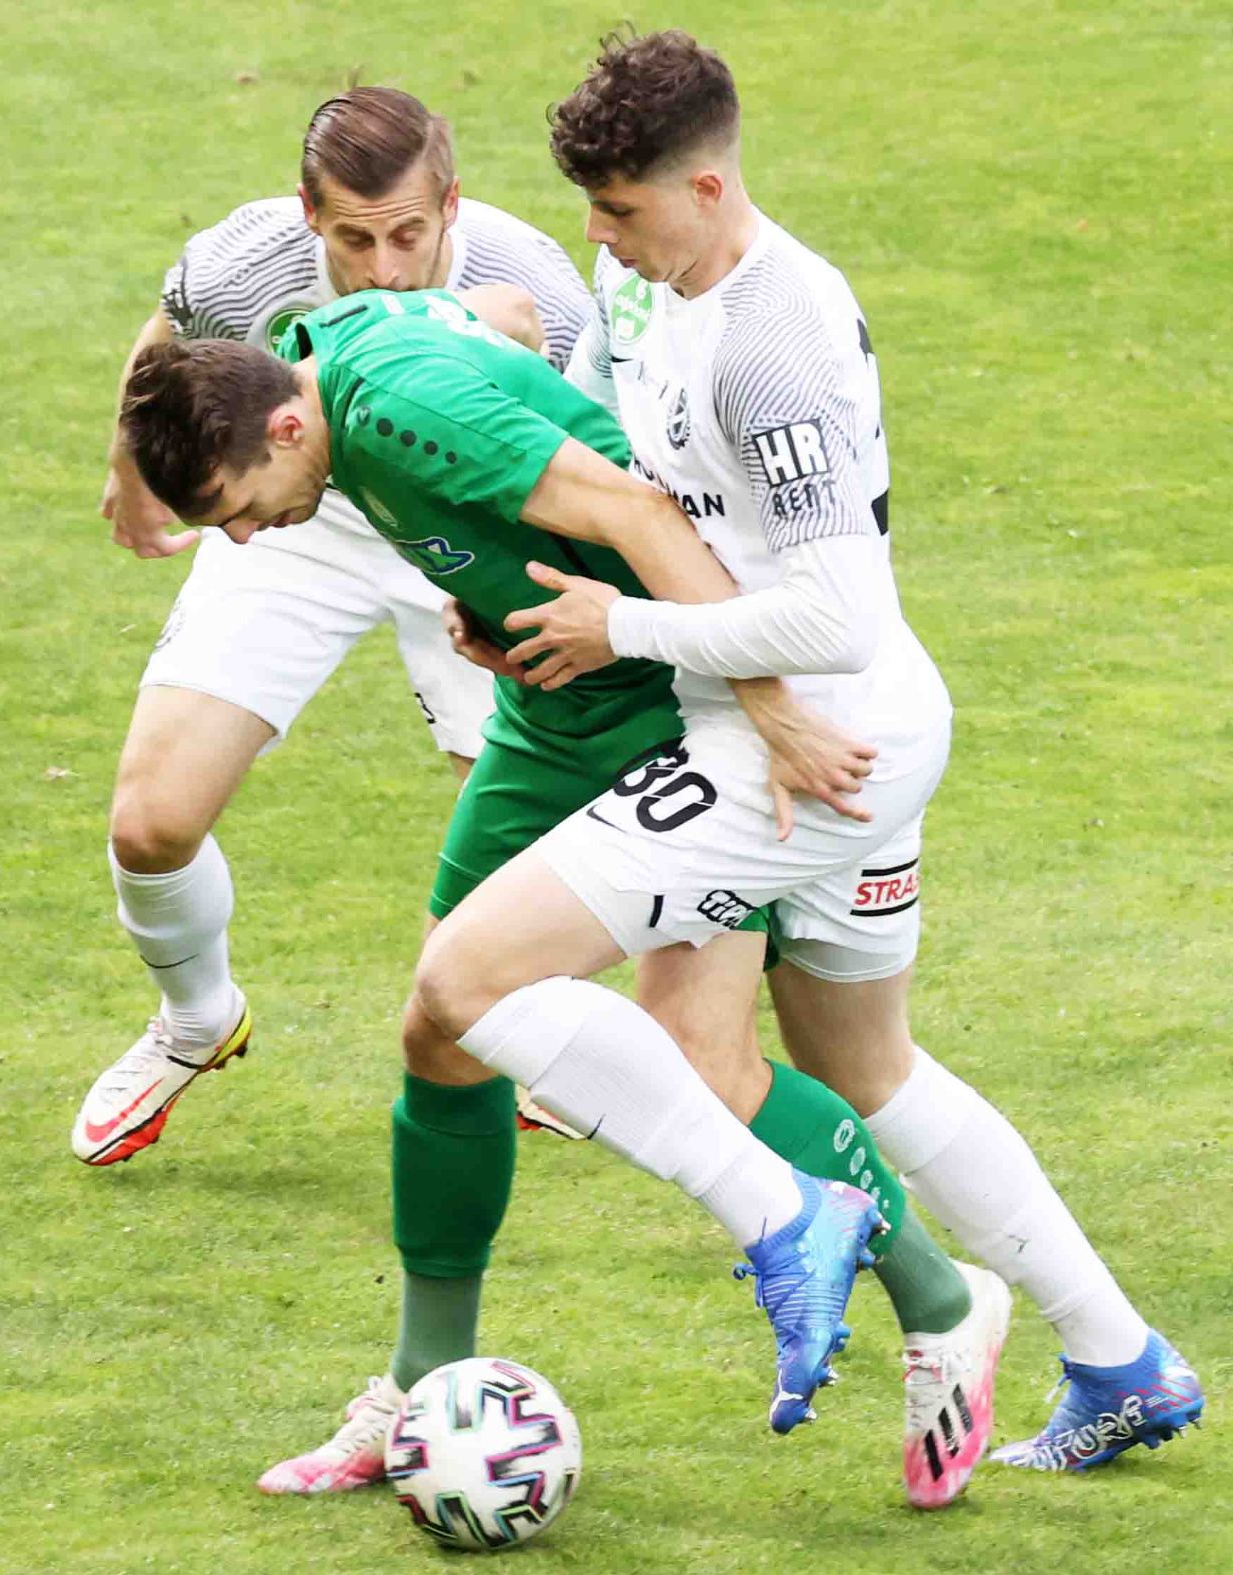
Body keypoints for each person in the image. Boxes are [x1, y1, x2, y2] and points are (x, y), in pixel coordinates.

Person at [117, 282, 1010, 1509]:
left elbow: (638, 511)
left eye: (234, 509)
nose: (242, 538)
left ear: (282, 429)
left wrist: (765, 707)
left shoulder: (403, 409)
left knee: (701, 1062)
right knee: (443, 1030)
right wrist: (487, 594)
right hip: (550, 703)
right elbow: (509, 337)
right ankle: (416, 1384)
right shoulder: (309, 363)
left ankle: (941, 1304)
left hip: (666, 704)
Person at [498, 30, 1200, 1476]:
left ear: (705, 186)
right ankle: (1120, 1355)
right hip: (801, 732)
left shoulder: (774, 343)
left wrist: (622, 627)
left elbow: (834, 614)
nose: (597, 236)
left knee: (593, 1015)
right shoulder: (642, 289)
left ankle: (921, 1294)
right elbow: (594, 444)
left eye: (619, 208)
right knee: (860, 1064)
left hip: (824, 744)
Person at [72, 87, 596, 1166]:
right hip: (286, 501)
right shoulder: (246, 263)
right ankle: (196, 1018)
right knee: (149, 823)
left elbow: (589, 462)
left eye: (409, 233)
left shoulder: (537, 284)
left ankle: (529, 1042)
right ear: (310, 214)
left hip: (464, 524)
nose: (386, 268)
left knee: (521, 841)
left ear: (451, 204)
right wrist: (129, 467)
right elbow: (169, 345)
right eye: (354, 239)